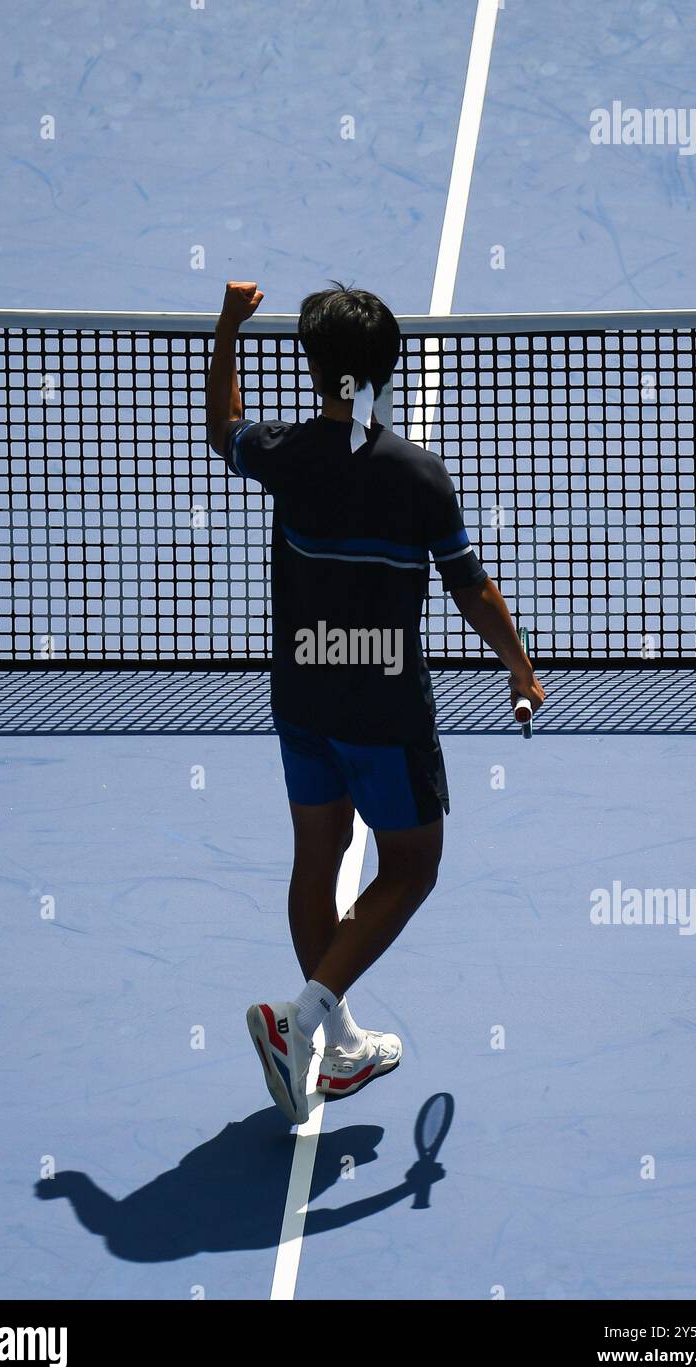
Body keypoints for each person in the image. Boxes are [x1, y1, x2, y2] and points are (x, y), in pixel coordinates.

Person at [207, 280, 545, 1124]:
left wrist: (225, 329)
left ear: (315, 368)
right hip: (385, 714)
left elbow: (223, 429)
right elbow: (471, 591)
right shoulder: (419, 478)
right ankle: (302, 1019)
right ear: (388, 371)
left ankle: (337, 1046)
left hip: (301, 697)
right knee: (412, 867)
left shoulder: (285, 452)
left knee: (316, 859)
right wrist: (520, 667)